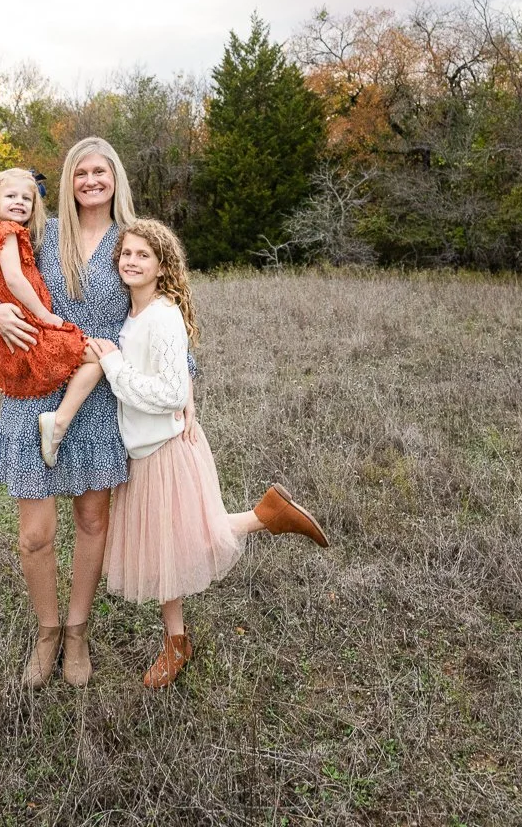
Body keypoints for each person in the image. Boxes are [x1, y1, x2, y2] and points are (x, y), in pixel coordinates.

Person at [92, 218, 330, 689]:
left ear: (162, 266)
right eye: (126, 254)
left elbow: (170, 390)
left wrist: (114, 367)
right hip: (142, 447)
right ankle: (267, 517)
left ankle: (264, 520)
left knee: (180, 543)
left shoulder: (162, 316)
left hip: (164, 447)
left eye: (143, 255)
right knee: (170, 545)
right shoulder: (132, 314)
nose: (132, 261)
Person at [0, 136, 138, 687]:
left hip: (96, 395)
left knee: (92, 520)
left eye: (101, 171)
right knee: (35, 536)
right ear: (67, 181)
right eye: (80, 172)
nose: (91, 181)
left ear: (115, 177)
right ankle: (45, 631)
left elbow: (166, 310)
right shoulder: (42, 237)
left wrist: (181, 379)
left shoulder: (132, 242)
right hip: (32, 392)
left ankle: (76, 632)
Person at [0, 167, 108, 467]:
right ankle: (57, 423)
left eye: (27, 198)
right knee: (97, 357)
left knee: (92, 358)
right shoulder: (7, 233)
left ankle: (57, 422)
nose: (19, 202)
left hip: (30, 324)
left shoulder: (18, 234)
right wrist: (45, 314)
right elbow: (13, 280)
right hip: (33, 326)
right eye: (10, 196)